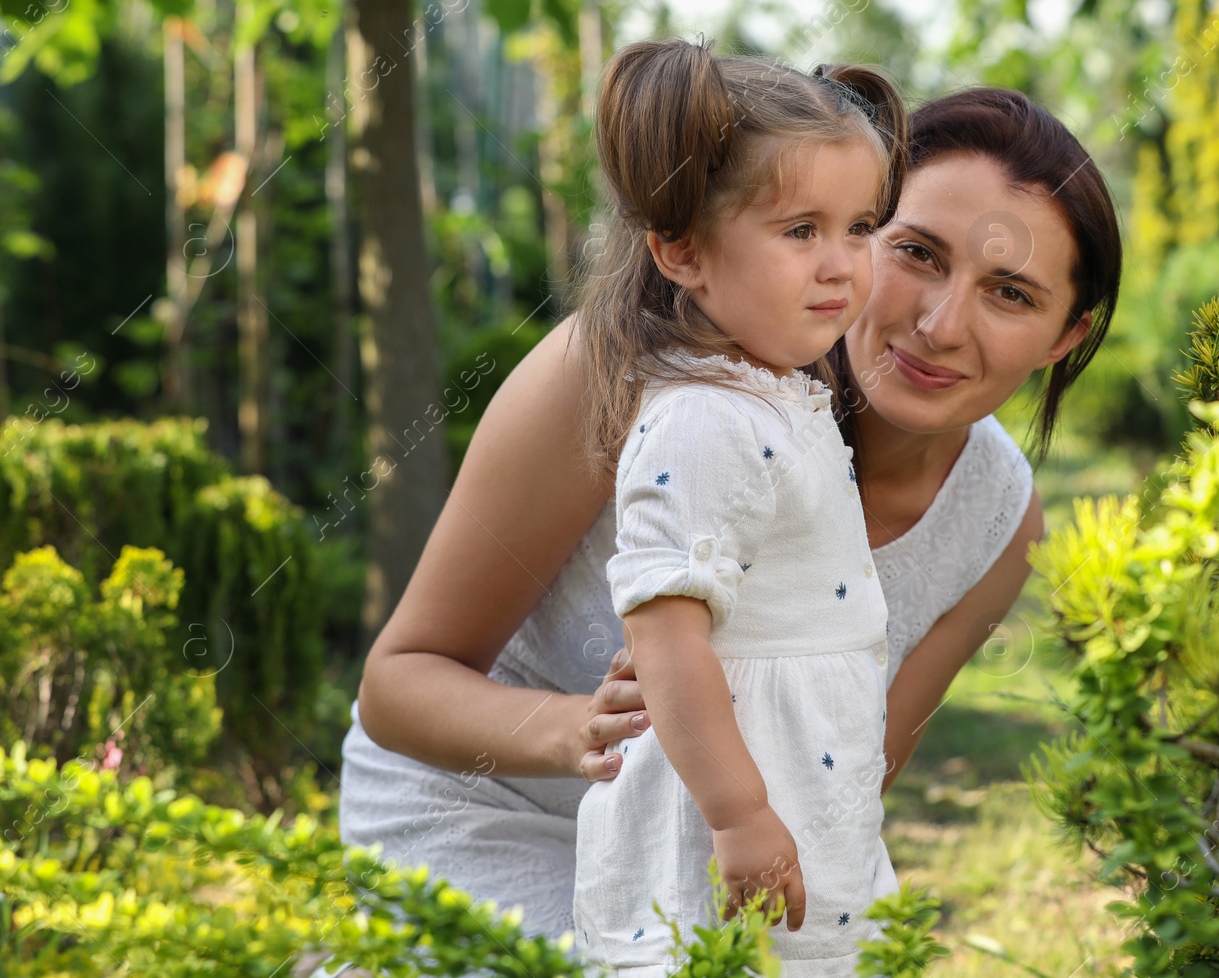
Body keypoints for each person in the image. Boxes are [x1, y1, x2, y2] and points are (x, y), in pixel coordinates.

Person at [341, 82, 1123, 943]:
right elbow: (398, 685)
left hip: (700, 857)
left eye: (1010, 293)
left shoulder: (997, 521)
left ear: (1066, 336)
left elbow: (846, 787)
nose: (939, 325)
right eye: (916, 252)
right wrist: (585, 732)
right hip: (487, 810)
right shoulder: (619, 377)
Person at [565, 39, 909, 975]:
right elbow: (668, 639)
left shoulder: (775, 394)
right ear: (681, 251)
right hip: (722, 819)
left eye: (859, 226)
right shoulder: (701, 422)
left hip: (801, 791)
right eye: (801, 231)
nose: (841, 264)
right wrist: (739, 813)